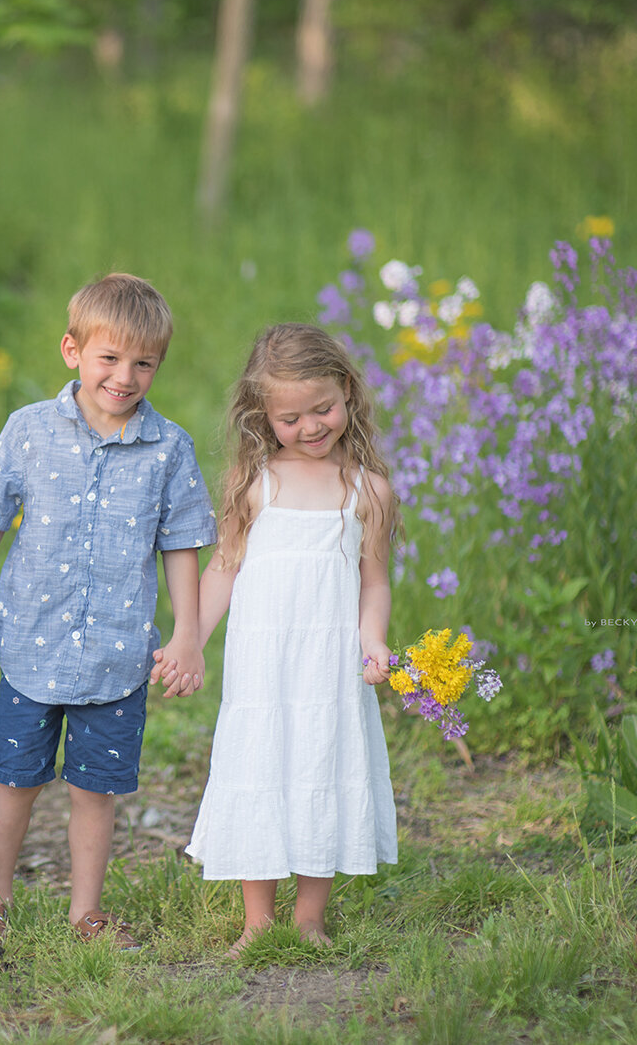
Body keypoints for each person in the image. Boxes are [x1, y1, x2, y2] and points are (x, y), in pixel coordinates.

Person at [0, 273, 216, 951]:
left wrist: (188, 635)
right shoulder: (29, 430)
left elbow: (181, 546)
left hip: (118, 654)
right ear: (72, 350)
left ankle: (85, 912)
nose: (124, 377)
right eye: (109, 358)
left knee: (97, 790)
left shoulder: (169, 448)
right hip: (33, 645)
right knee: (14, 778)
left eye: (143, 363)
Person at [181, 323, 399, 957]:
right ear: (263, 417)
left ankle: (309, 916)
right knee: (261, 767)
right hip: (264, 665)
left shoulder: (367, 492)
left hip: (330, 664)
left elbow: (374, 581)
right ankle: (257, 920)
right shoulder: (254, 487)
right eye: (291, 417)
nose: (310, 427)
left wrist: (375, 640)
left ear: (349, 393)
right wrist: (189, 639)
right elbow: (222, 569)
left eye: (323, 409)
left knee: (322, 768)